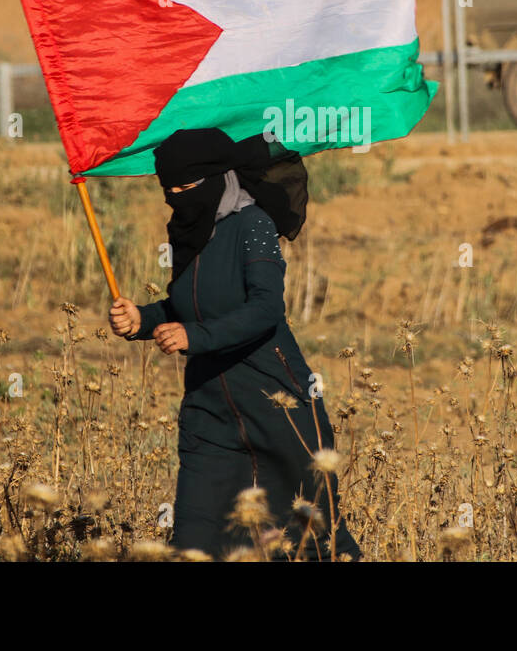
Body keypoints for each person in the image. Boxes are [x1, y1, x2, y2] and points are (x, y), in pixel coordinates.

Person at [108, 127, 361, 561]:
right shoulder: (189, 232)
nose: (176, 197)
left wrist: (195, 338)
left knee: (306, 537)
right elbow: (188, 306)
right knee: (197, 541)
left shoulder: (252, 224)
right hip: (210, 414)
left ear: (215, 178)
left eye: (186, 187)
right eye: (167, 189)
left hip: (275, 404)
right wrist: (143, 320)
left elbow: (264, 309)